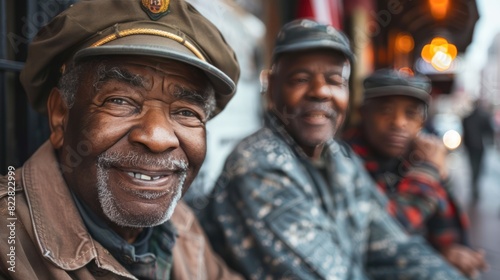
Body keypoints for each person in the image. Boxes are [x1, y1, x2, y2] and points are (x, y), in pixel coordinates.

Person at [201, 19, 467, 279]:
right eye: (301, 79)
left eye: (334, 80)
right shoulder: (258, 166)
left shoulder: (338, 157)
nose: (320, 92)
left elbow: (392, 245)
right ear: (272, 89)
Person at [0, 0, 243, 279]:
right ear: (60, 116)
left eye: (186, 112)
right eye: (120, 100)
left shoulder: (181, 225)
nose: (157, 138)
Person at [343, 69, 488, 278]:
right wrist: (429, 172)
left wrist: (450, 252)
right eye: (385, 110)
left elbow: (451, 232)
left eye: (410, 114)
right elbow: (385, 234)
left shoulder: (414, 156)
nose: (398, 123)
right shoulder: (344, 160)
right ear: (362, 113)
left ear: (421, 123)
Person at [462, 99, 494, 200]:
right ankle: (475, 186)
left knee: (473, 166)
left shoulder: (467, 118)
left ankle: (474, 185)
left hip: (471, 147)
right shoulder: (483, 116)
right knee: (478, 167)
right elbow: (489, 131)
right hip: (479, 146)